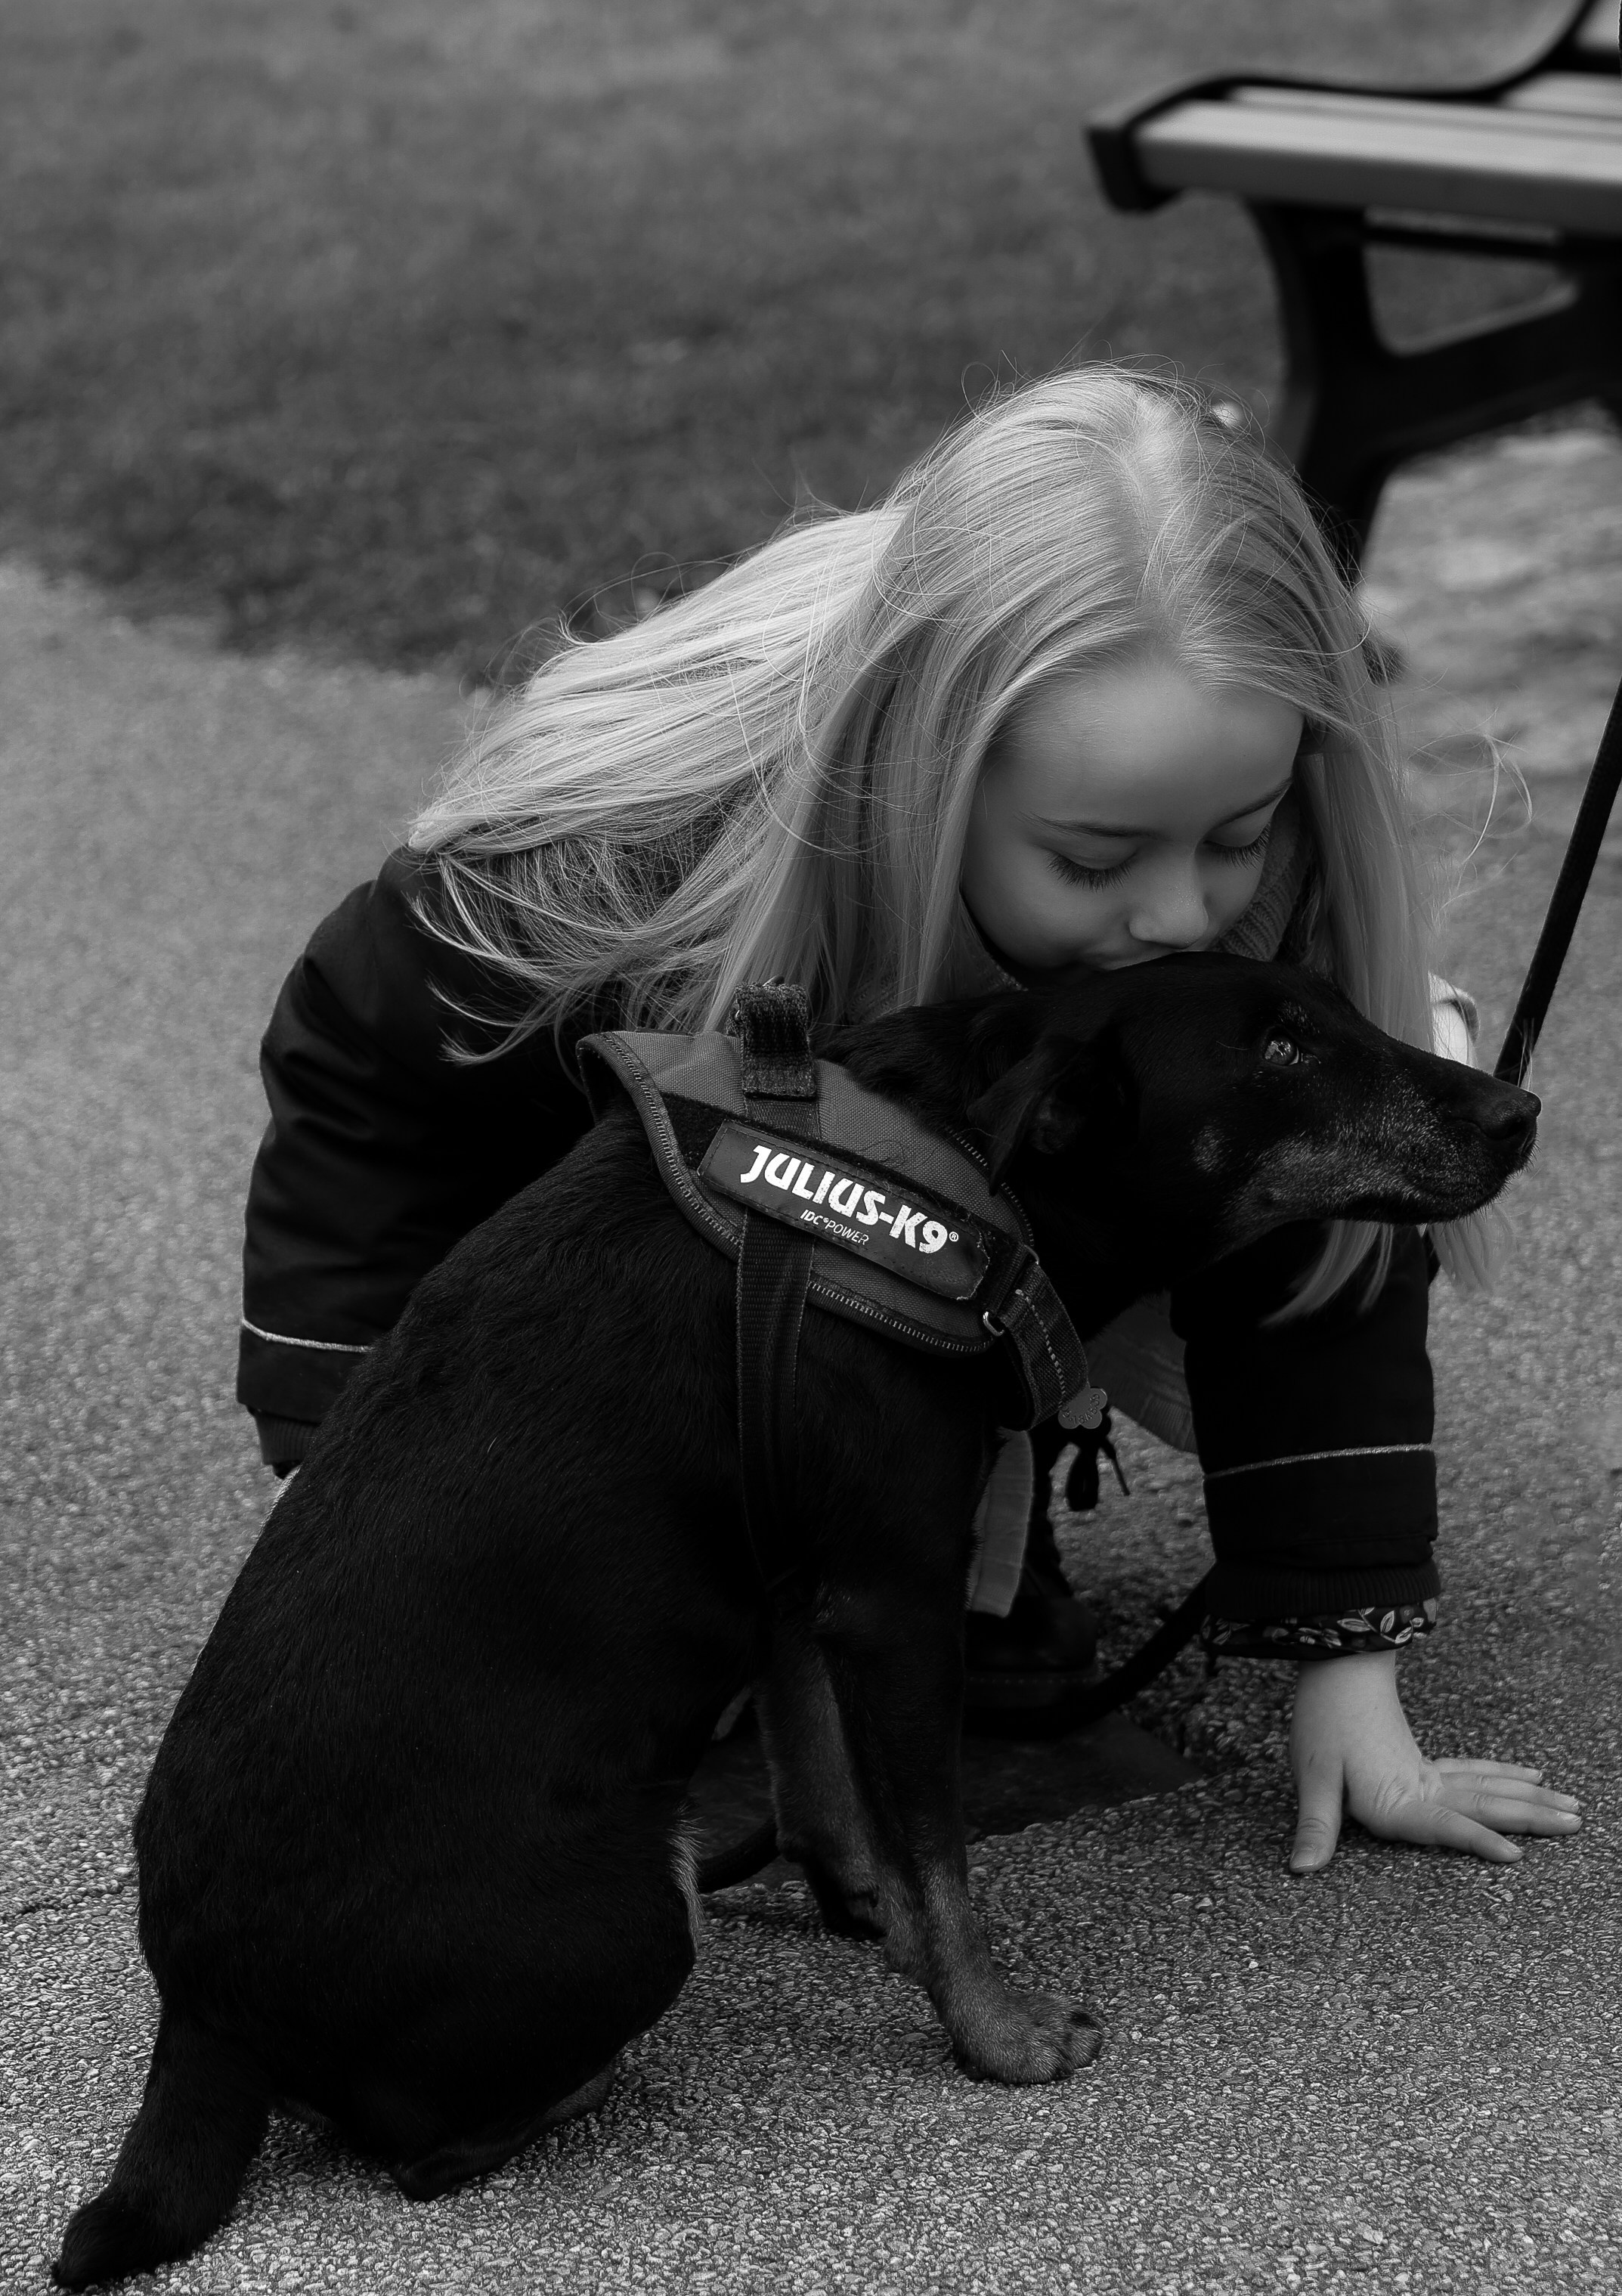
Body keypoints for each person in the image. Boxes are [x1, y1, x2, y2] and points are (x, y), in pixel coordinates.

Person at [237, 366, 1579, 1876]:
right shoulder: (622, 850)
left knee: (1321, 1099)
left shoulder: (1238, 876)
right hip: (637, 1196)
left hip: (927, 1162)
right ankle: (798, 1542)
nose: (1173, 909)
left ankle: (965, 1550)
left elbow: (1310, 1254)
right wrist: (349, 1466)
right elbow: (365, 1073)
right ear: (920, 759)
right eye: (1091, 852)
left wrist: (1345, 1672)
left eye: (1235, 835)